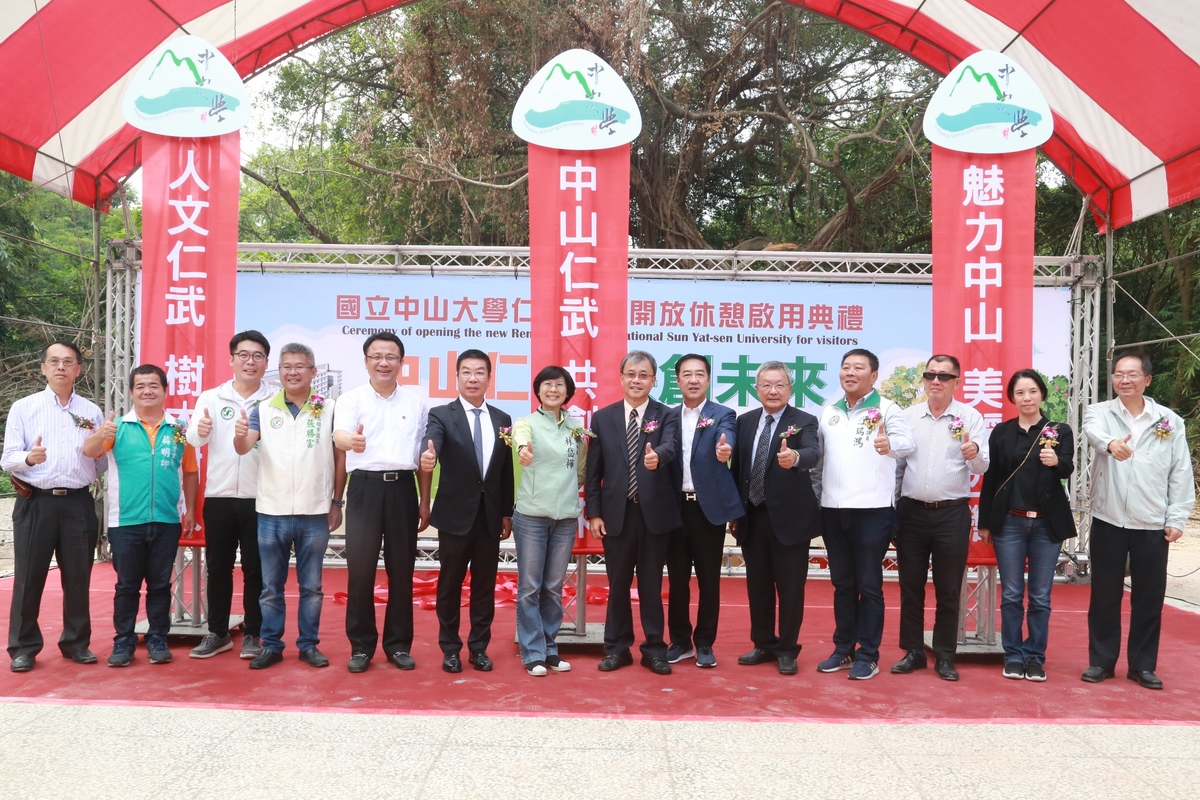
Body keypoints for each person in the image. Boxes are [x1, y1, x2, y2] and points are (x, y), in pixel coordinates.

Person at [1081, 353, 1195, 690]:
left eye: (1132, 374)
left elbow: (1181, 473)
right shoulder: (1100, 412)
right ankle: (1101, 662)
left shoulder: (1170, 421)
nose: (1124, 380)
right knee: (1104, 595)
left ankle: (1142, 665)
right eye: (1118, 375)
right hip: (1109, 519)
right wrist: (1112, 444)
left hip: (1152, 523)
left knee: (1148, 596)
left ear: (1147, 379)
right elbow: (1093, 435)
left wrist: (1177, 517)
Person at [234, 343, 345, 670]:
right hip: (272, 512)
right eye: (286, 366)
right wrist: (240, 435)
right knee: (271, 587)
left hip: (315, 512)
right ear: (279, 372)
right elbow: (244, 447)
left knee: (312, 587)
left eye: (300, 366)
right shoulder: (263, 408)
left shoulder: (330, 408)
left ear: (313, 372)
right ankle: (272, 644)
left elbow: (340, 458)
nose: (292, 372)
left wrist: (337, 502)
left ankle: (308, 645)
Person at [83, 364, 198, 667]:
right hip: (126, 522)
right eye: (141, 386)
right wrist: (99, 434)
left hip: (166, 520)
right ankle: (123, 643)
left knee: (160, 585)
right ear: (132, 392)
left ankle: (158, 640)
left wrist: (191, 512)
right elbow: (90, 451)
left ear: (164, 391)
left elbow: (190, 472)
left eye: (154, 386)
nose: (147, 391)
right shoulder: (117, 427)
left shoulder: (178, 429)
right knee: (127, 586)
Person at [812, 348, 914, 680]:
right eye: (845, 367)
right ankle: (843, 649)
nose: (850, 373)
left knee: (869, 585)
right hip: (833, 510)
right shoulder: (829, 412)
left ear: (874, 376)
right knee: (842, 584)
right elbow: (819, 461)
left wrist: (890, 447)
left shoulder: (888, 409)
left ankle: (867, 654)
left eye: (859, 368)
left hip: (873, 511)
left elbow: (906, 444)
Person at [3, 341, 104, 672]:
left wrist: (94, 456)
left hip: (78, 502)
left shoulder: (91, 411)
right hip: (36, 502)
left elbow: (101, 463)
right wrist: (28, 458)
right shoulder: (24, 407)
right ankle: (24, 647)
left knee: (78, 576)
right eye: (54, 361)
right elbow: (8, 458)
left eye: (69, 361)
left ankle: (76, 643)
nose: (61, 367)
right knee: (29, 577)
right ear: (43, 368)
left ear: (78, 369)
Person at [333, 333, 431, 674]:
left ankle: (398, 645)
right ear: (366, 362)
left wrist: (424, 500)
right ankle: (361, 647)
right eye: (376, 356)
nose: (384, 362)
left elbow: (423, 456)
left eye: (391, 356)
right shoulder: (351, 399)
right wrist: (352, 440)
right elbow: (339, 437)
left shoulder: (416, 403)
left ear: (402, 362)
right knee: (359, 573)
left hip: (404, 490)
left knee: (402, 572)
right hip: (364, 490)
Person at [892, 355, 988, 681]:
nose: (936, 381)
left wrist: (974, 454)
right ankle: (913, 651)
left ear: (957, 382)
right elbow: (898, 468)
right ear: (923, 379)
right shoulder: (908, 417)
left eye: (944, 376)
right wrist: (894, 509)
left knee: (948, 589)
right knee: (910, 586)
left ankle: (945, 655)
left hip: (951, 515)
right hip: (912, 512)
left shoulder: (971, 417)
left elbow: (981, 467)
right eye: (931, 374)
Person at [586, 350, 681, 674]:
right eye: (631, 374)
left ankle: (655, 649)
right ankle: (617, 648)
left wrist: (659, 457)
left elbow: (670, 445)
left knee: (652, 586)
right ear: (622, 377)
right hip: (616, 515)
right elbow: (594, 471)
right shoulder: (603, 417)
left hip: (654, 515)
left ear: (654, 380)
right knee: (618, 585)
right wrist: (594, 513)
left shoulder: (666, 415)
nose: (637, 380)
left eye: (644, 375)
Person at [421, 350, 514, 674]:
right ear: (457, 377)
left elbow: (504, 472)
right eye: (466, 372)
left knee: (484, 586)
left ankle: (479, 648)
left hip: (489, 518)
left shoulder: (502, 419)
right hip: (454, 516)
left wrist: (506, 513)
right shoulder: (441, 414)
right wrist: (427, 455)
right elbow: (432, 442)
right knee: (449, 585)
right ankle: (450, 648)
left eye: (479, 372)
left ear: (489, 378)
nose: (472, 378)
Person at [978, 369, 1075, 681]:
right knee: (1011, 593)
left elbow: (1068, 469)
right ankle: (1013, 655)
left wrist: (1056, 462)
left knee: (1041, 596)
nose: (1027, 398)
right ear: (1012, 398)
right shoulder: (1002, 433)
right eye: (1020, 393)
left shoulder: (1059, 430)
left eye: (1032, 391)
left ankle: (1035, 656)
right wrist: (985, 522)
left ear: (1042, 394)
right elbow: (990, 480)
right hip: (1010, 524)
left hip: (1047, 526)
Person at [186, 331, 275, 660]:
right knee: (218, 567)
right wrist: (201, 431)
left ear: (266, 362)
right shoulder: (211, 398)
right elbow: (194, 439)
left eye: (257, 356)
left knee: (256, 568)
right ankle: (218, 632)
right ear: (231, 359)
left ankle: (253, 633)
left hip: (261, 496)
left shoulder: (274, 400)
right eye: (244, 355)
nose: (250, 362)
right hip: (220, 496)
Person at [729, 360, 821, 675]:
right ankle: (763, 643)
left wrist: (795, 457)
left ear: (790, 388)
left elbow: (812, 453)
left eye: (779, 384)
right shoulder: (744, 422)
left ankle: (787, 649)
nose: (773, 390)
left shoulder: (804, 421)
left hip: (790, 521)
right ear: (756, 388)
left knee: (791, 588)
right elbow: (738, 469)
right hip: (752, 517)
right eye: (766, 384)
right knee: (758, 586)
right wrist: (735, 512)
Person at [665, 354, 744, 669]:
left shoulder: (723, 414)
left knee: (709, 580)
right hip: (674, 510)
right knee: (677, 580)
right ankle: (680, 641)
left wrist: (726, 449)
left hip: (707, 509)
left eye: (700, 374)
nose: (693, 380)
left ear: (709, 379)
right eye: (687, 374)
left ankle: (705, 643)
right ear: (679, 380)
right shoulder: (667, 417)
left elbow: (729, 437)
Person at [511, 366, 587, 676]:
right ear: (538, 390)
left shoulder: (576, 429)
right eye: (547, 384)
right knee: (530, 587)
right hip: (531, 516)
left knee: (553, 588)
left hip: (566, 518)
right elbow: (520, 439)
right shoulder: (526, 423)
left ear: (567, 392)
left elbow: (580, 470)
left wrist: (565, 490)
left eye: (559, 385)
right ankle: (532, 653)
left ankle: (550, 648)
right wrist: (522, 451)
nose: (553, 389)